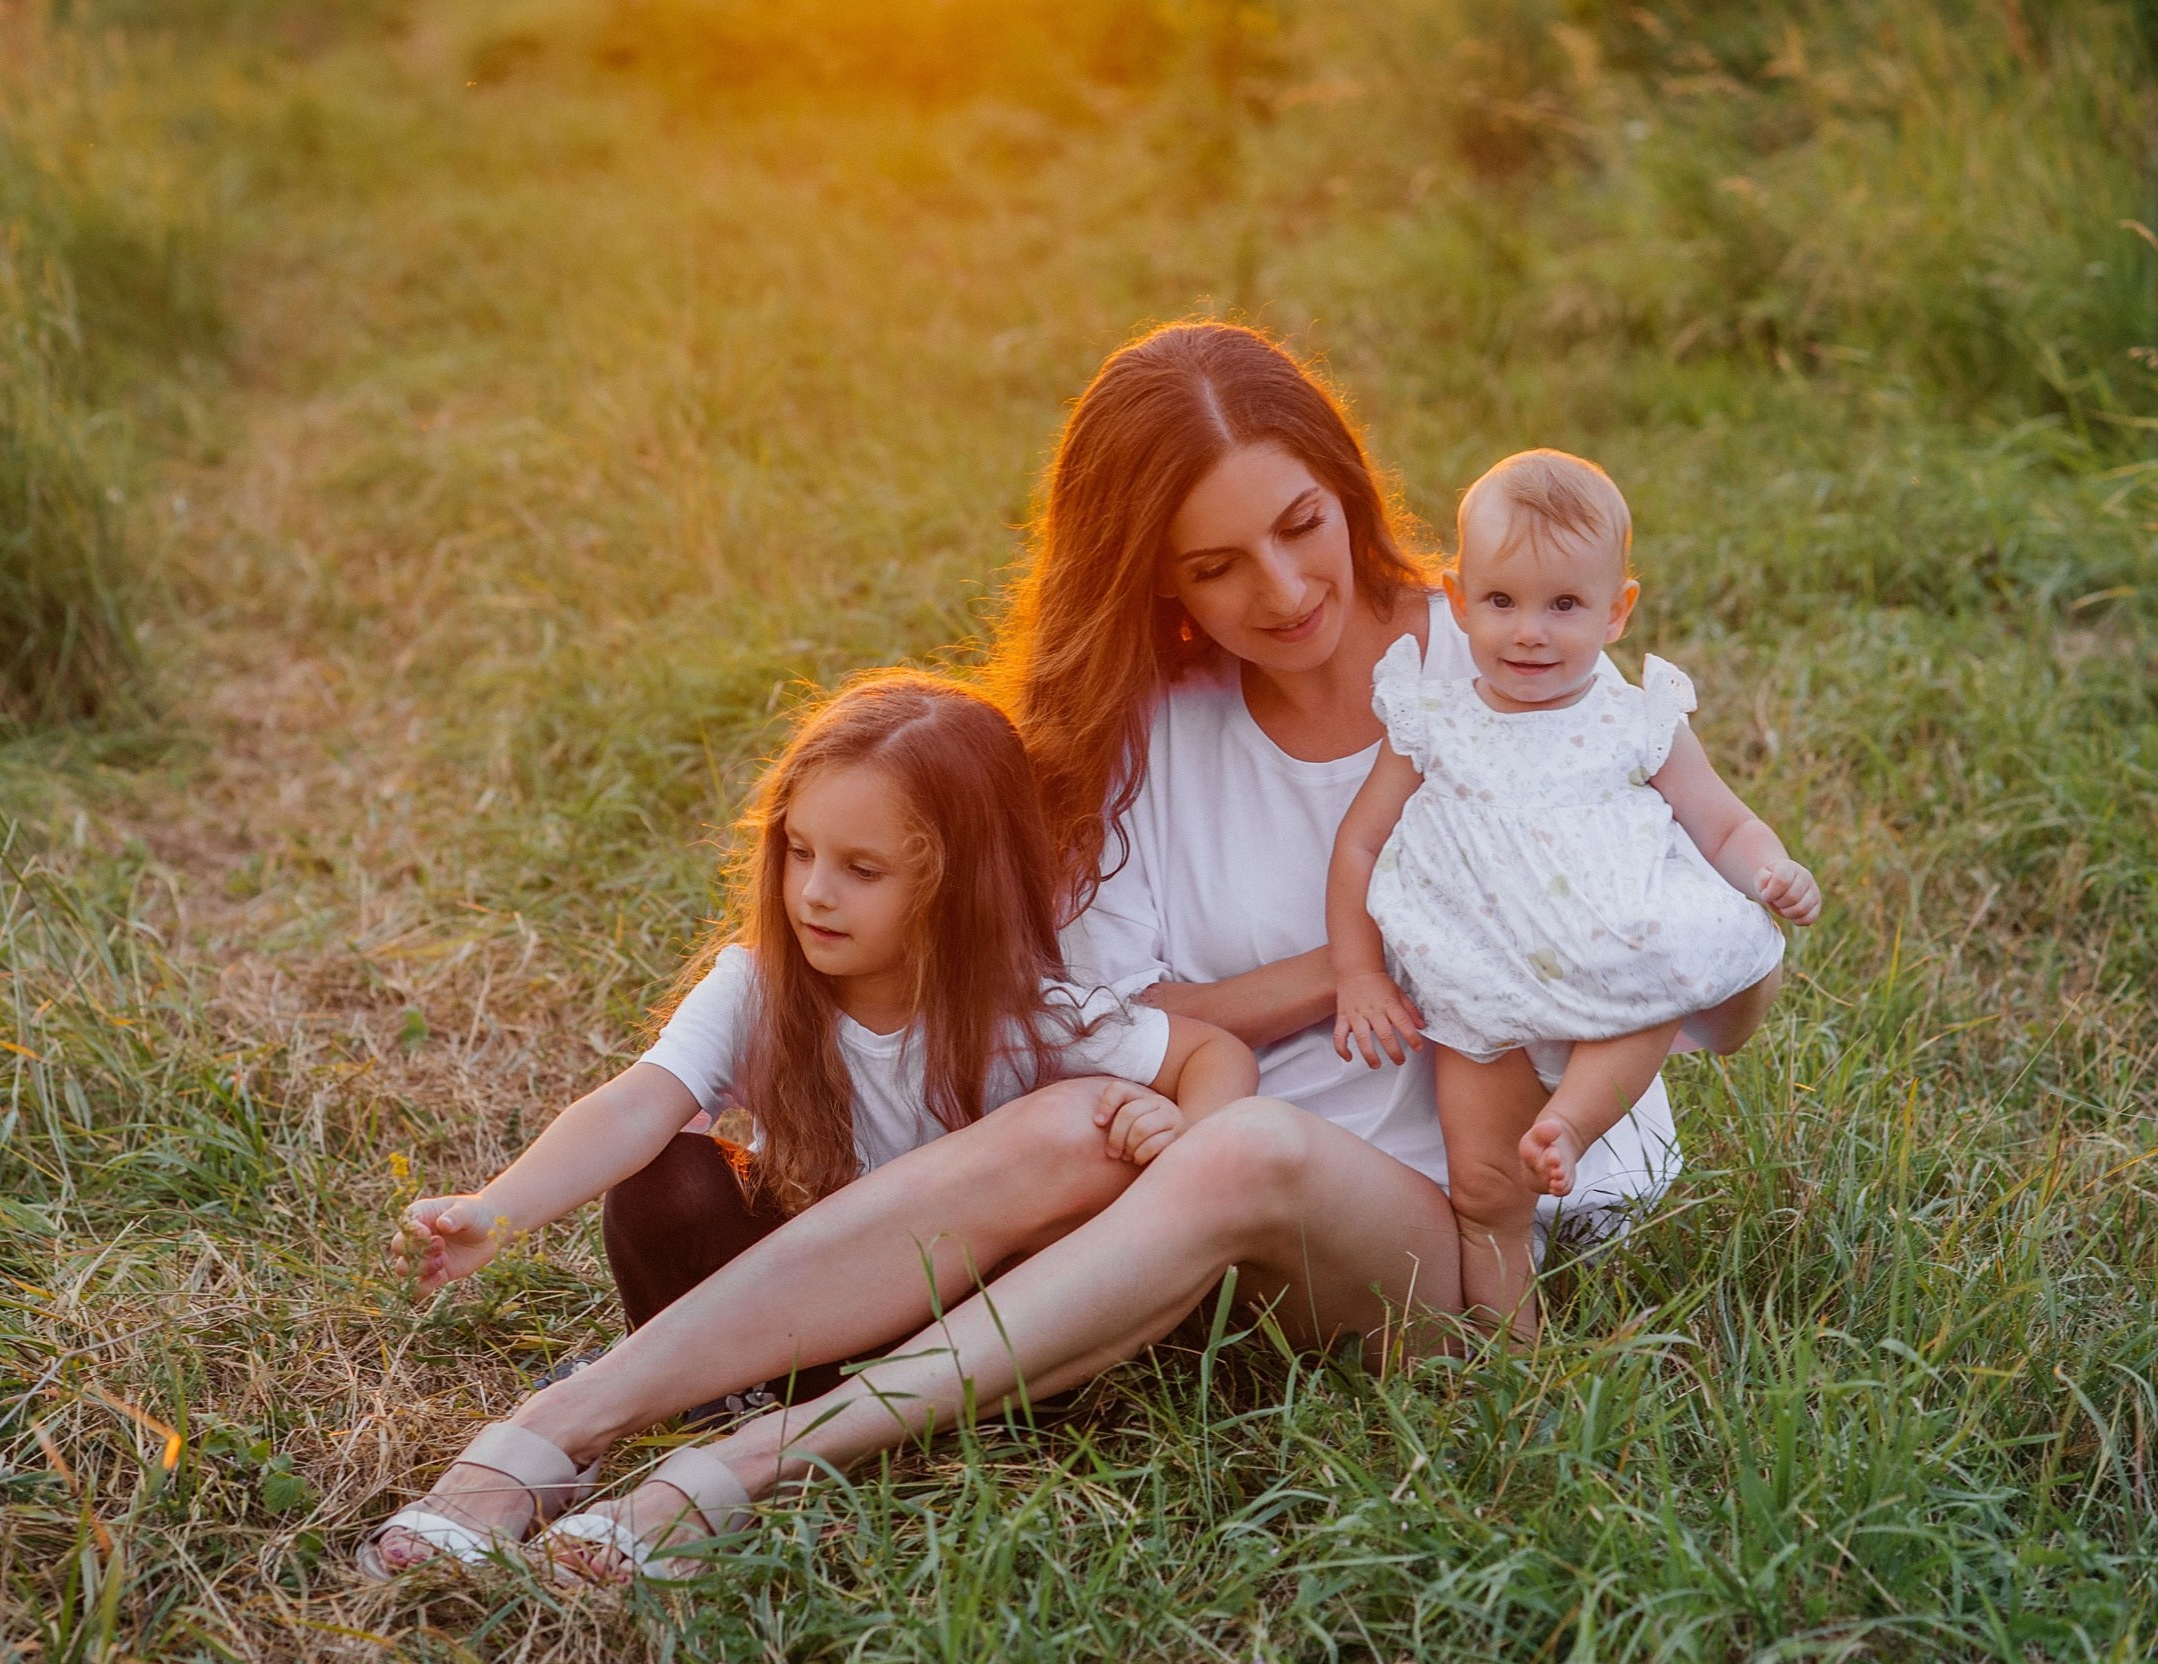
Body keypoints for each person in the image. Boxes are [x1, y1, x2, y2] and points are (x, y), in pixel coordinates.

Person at [366, 320, 1723, 1586]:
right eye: (1215, 565)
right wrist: (1357, 960)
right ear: (1156, 577)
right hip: (1184, 1214)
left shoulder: (1513, 652)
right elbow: (1104, 1008)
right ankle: (549, 1432)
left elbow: (1702, 978)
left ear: (1348, 491)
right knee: (1097, 1111)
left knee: (1240, 1148)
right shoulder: (1151, 725)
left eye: (1302, 525)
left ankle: (746, 1464)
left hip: (1473, 1237)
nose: (1287, 586)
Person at [359, 671, 1255, 1578]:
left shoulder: (1034, 1018)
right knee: (669, 1177)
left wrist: (1178, 1132)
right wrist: (498, 1209)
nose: (816, 894)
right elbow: (638, 1100)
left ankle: (779, 1441)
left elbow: (1213, 1052)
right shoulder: (760, 985)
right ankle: (704, 1400)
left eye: (863, 870)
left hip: (949, 1345)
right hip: (788, 1314)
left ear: (960, 883)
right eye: (798, 851)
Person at [1327, 449, 1819, 1334]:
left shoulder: (1636, 721)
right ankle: (1517, 1358)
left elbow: (1724, 824)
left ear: (1617, 611)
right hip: (1475, 974)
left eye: (1564, 605)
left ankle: (1576, 1123)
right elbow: (1359, 841)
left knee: (1660, 964)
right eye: (1503, 601)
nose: (1530, 633)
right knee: (1482, 1186)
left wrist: (1770, 870)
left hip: (1610, 958)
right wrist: (1359, 974)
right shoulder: (1431, 721)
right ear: (1459, 596)